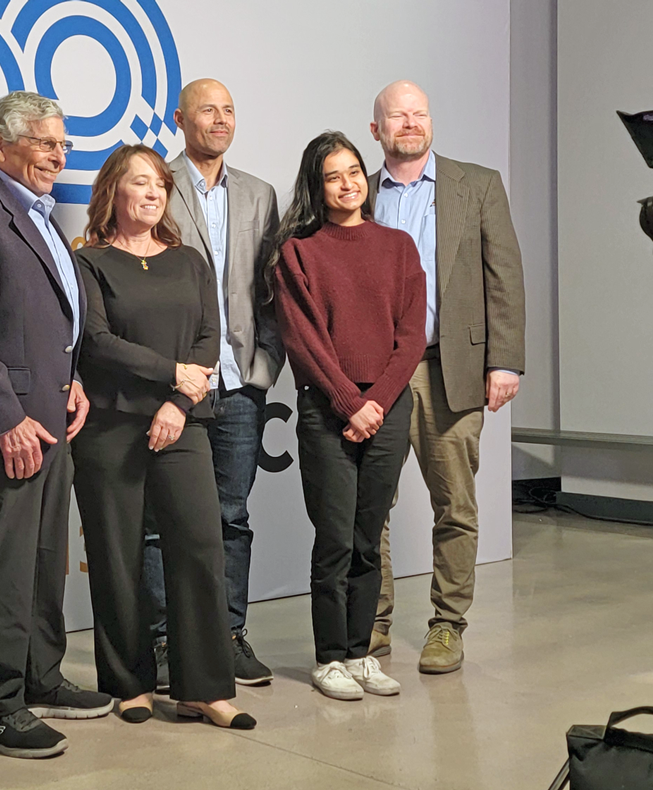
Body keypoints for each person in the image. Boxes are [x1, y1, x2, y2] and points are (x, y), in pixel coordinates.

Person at [0, 91, 111, 759]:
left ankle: (41, 678)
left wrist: (74, 383)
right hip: (8, 426)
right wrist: (6, 420)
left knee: (42, 559)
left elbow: (45, 327)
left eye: (63, 144)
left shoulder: (40, 215)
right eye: (45, 143)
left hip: (53, 417)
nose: (59, 156)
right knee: (2, 566)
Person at [71, 145, 256, 730]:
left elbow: (207, 341)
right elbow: (96, 343)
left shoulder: (189, 262)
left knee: (200, 547)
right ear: (113, 193)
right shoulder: (90, 262)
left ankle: (204, 688)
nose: (152, 193)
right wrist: (168, 374)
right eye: (138, 183)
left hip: (183, 423)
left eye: (159, 184)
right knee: (117, 554)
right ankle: (130, 684)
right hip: (109, 427)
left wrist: (179, 400)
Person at [366, 80, 526, 674]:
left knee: (454, 503)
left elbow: (504, 275)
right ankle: (372, 624)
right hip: (377, 374)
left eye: (420, 114)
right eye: (397, 116)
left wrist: (504, 360)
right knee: (371, 504)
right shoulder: (359, 191)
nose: (411, 123)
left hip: (448, 368)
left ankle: (446, 625)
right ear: (375, 128)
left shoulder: (476, 185)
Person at [271, 131, 426, 701]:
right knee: (334, 539)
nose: (347, 183)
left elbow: (411, 337)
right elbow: (303, 340)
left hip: (385, 406)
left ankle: (361, 654)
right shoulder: (299, 252)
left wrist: (377, 403)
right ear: (317, 184)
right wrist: (348, 403)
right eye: (333, 175)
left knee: (367, 539)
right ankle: (329, 658)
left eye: (354, 171)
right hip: (327, 409)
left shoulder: (399, 247)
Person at [142, 79, 285, 691]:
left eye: (229, 109)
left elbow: (274, 290)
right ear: (180, 119)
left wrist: (264, 369)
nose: (222, 119)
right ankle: (167, 641)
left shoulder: (259, 193)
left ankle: (227, 634)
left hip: (242, 385)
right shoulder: (158, 185)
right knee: (161, 521)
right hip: (178, 386)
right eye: (208, 109)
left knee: (233, 515)